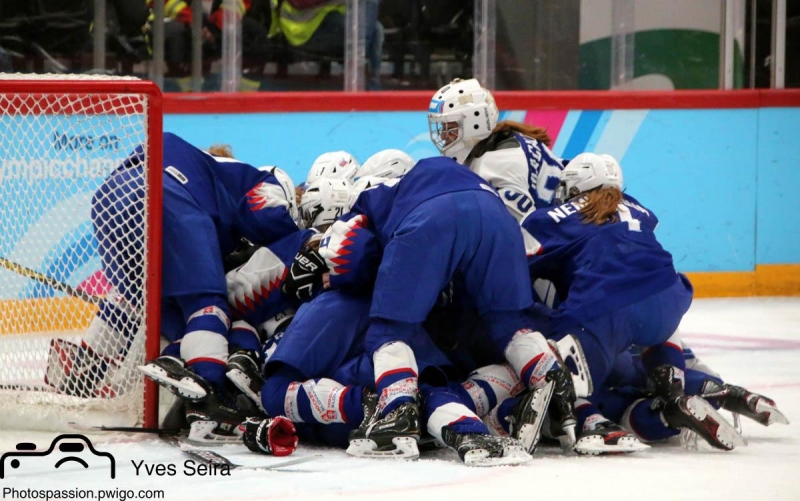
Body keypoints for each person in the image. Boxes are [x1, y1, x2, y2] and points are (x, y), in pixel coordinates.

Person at [282, 155, 578, 459]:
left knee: (387, 332)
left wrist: (338, 278)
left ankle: (398, 414)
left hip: (431, 220)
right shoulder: (432, 173)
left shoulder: (366, 198)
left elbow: (353, 253)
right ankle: (555, 383)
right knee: (509, 325)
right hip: (497, 215)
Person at [86, 132, 300, 439]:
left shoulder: (202, 172)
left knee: (169, 313)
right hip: (162, 194)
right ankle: (210, 394)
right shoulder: (260, 180)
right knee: (209, 307)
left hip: (107, 201)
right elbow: (267, 218)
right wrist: (289, 240)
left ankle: (168, 362)